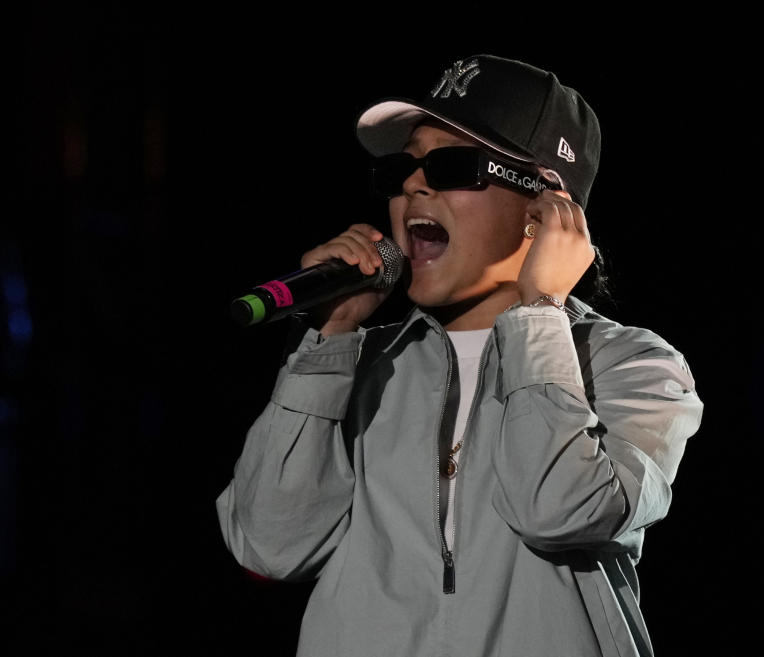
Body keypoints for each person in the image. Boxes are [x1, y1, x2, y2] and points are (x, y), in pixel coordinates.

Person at [216, 54, 703, 657]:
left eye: (451, 165)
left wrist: (541, 310)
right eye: (402, 169)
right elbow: (270, 545)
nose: (414, 185)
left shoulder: (630, 365)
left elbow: (560, 510)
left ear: (546, 209)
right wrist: (329, 343)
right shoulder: (352, 365)